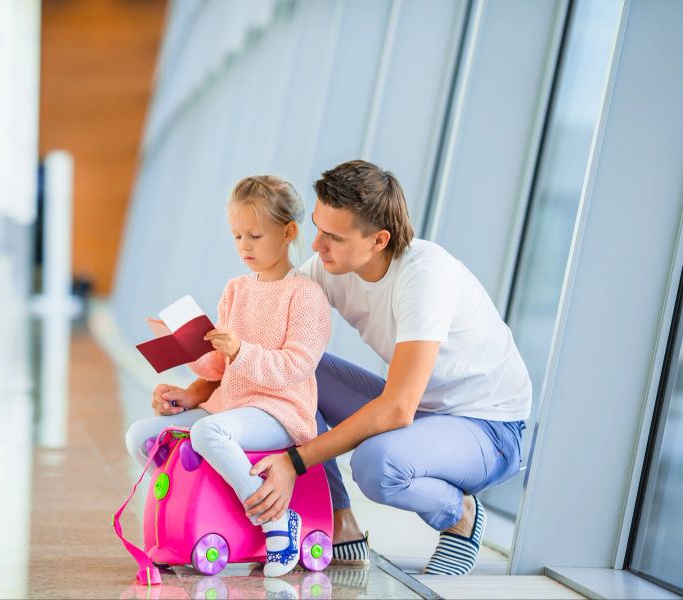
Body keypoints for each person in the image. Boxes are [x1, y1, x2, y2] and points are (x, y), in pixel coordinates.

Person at [155, 160, 532, 576]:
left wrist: (294, 461)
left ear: (378, 239)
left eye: (334, 236)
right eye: (317, 227)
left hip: (487, 426)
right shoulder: (328, 269)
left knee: (376, 464)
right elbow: (270, 358)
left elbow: (397, 409)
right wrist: (197, 391)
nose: (316, 245)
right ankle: (342, 522)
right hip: (420, 407)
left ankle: (458, 514)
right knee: (301, 372)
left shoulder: (425, 278)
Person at [125, 175, 331, 577]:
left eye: (255, 235)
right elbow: (220, 370)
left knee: (208, 434)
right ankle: (198, 498)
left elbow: (295, 367)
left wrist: (241, 350)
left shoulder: (304, 296)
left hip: (279, 413)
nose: (244, 246)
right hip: (228, 409)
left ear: (288, 232)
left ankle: (275, 521)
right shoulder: (236, 289)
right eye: (237, 236)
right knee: (141, 436)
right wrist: (191, 361)